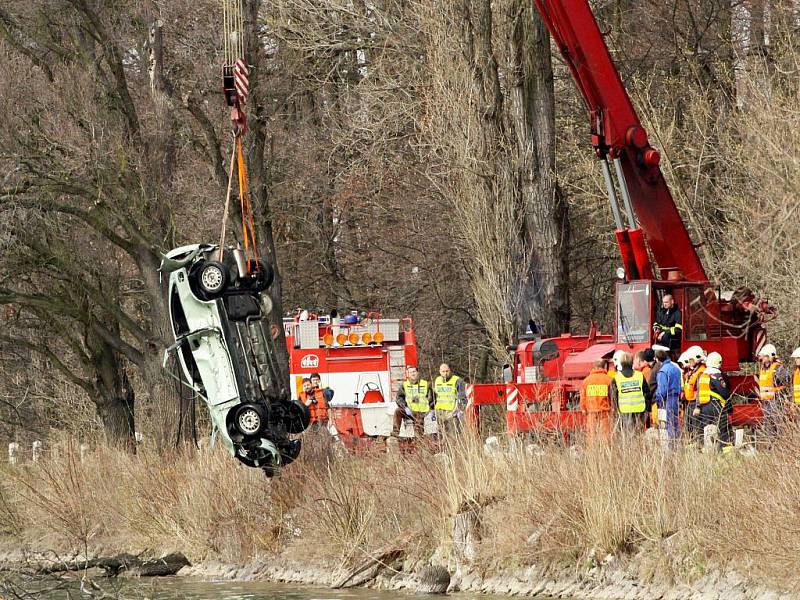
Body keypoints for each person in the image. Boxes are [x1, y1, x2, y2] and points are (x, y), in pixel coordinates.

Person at [692, 351, 732, 450]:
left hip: (704, 407)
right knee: (723, 428)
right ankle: (724, 448)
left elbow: (698, 393)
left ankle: (707, 448)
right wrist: (729, 407)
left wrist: (698, 407)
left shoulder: (703, 375)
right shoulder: (717, 375)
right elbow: (724, 393)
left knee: (707, 428)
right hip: (716, 405)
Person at [756, 344, 790, 437]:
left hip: (776, 401)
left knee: (778, 424)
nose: (761, 358)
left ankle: (781, 444)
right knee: (769, 426)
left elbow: (785, 381)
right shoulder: (763, 368)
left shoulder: (778, 368)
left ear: (769, 356)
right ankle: (770, 447)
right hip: (766, 402)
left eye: (763, 356)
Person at [611, 352, 650, 430]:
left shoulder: (616, 378)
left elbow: (613, 397)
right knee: (638, 435)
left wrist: (616, 410)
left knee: (627, 436)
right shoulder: (640, 375)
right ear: (632, 362)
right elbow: (647, 393)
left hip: (624, 411)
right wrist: (647, 409)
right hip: (640, 411)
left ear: (621, 363)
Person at [392, 365, 433, 438]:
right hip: (409, 411)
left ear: (417, 373)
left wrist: (431, 409)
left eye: (414, 371)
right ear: (407, 374)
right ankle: (395, 433)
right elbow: (399, 398)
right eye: (410, 372)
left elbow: (432, 397)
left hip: (421, 411)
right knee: (398, 411)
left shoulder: (425, 384)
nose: (413, 374)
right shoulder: (404, 385)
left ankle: (419, 439)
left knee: (419, 431)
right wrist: (405, 407)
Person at [580, 359, 613, 443]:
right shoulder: (608, 380)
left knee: (591, 437)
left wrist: (584, 409)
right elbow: (612, 397)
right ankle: (606, 455)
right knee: (606, 437)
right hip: (605, 412)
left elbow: (583, 398)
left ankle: (592, 454)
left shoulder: (586, 381)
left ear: (593, 367)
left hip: (591, 412)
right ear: (604, 366)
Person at [655, 346, 682, 444]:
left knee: (668, 424)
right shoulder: (675, 369)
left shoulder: (663, 371)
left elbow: (662, 390)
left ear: (657, 359)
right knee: (675, 423)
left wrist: (658, 400)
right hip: (675, 398)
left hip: (667, 400)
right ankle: (676, 444)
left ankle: (670, 447)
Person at [433, 363, 467, 435]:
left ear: (450, 371)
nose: (445, 373)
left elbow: (462, 396)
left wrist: (461, 410)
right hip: (440, 412)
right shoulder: (437, 380)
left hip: (452, 412)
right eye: (443, 371)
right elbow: (435, 395)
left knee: (453, 435)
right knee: (441, 435)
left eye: (447, 371)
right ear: (440, 372)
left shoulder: (457, 380)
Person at [682, 346, 707, 441]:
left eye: (690, 359)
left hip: (696, 404)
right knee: (689, 428)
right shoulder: (695, 370)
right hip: (691, 403)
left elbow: (700, 391)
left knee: (697, 429)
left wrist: (698, 406)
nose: (689, 361)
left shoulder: (701, 372)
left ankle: (699, 447)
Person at [792, 347, 800, 412]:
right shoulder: (796, 372)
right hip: (797, 403)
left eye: (797, 358)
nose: (795, 360)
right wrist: (793, 402)